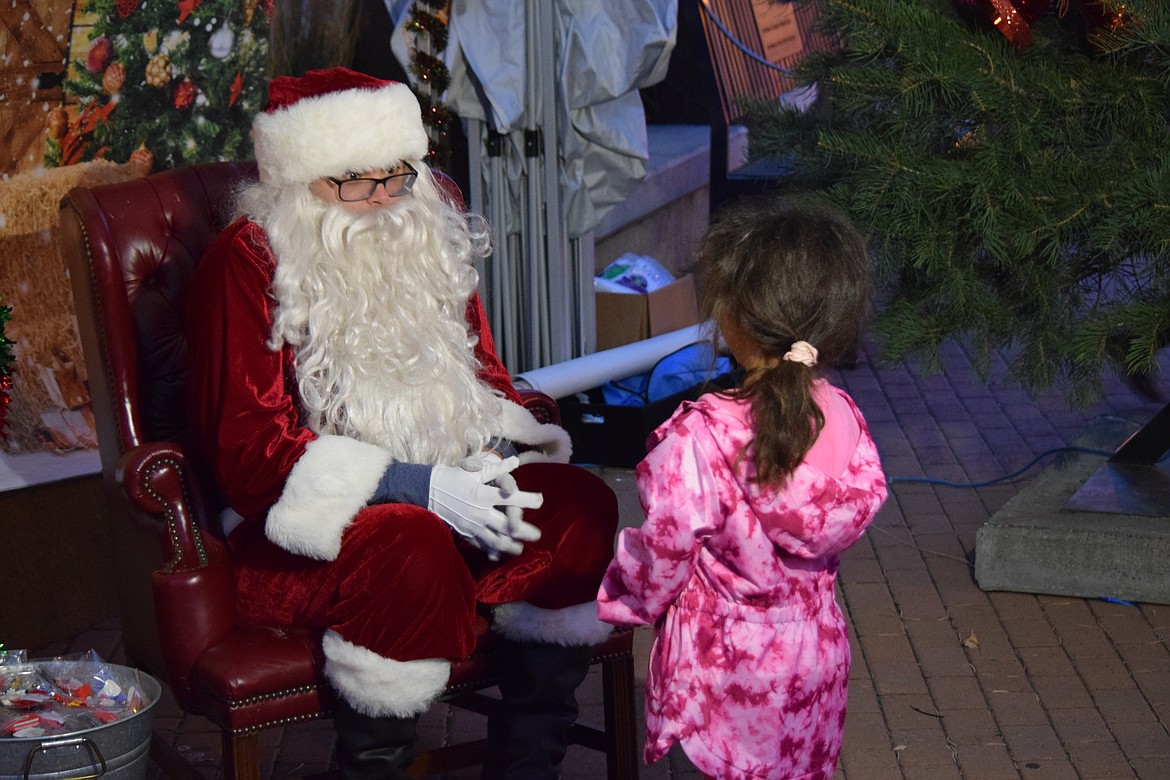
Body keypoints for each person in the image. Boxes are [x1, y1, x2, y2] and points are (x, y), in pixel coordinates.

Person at [185, 66, 618, 779]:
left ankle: (528, 766)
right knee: (409, 547)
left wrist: (494, 453)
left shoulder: (426, 224)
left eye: (399, 176)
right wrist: (420, 487)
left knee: (576, 512)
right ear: (299, 181)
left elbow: (488, 378)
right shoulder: (248, 259)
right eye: (355, 182)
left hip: (456, 490)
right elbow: (251, 456)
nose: (383, 200)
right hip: (306, 531)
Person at [597, 197, 889, 780]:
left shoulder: (700, 439)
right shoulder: (845, 417)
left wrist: (617, 601)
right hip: (812, 662)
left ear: (736, 316)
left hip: (720, 669)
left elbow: (663, 553)